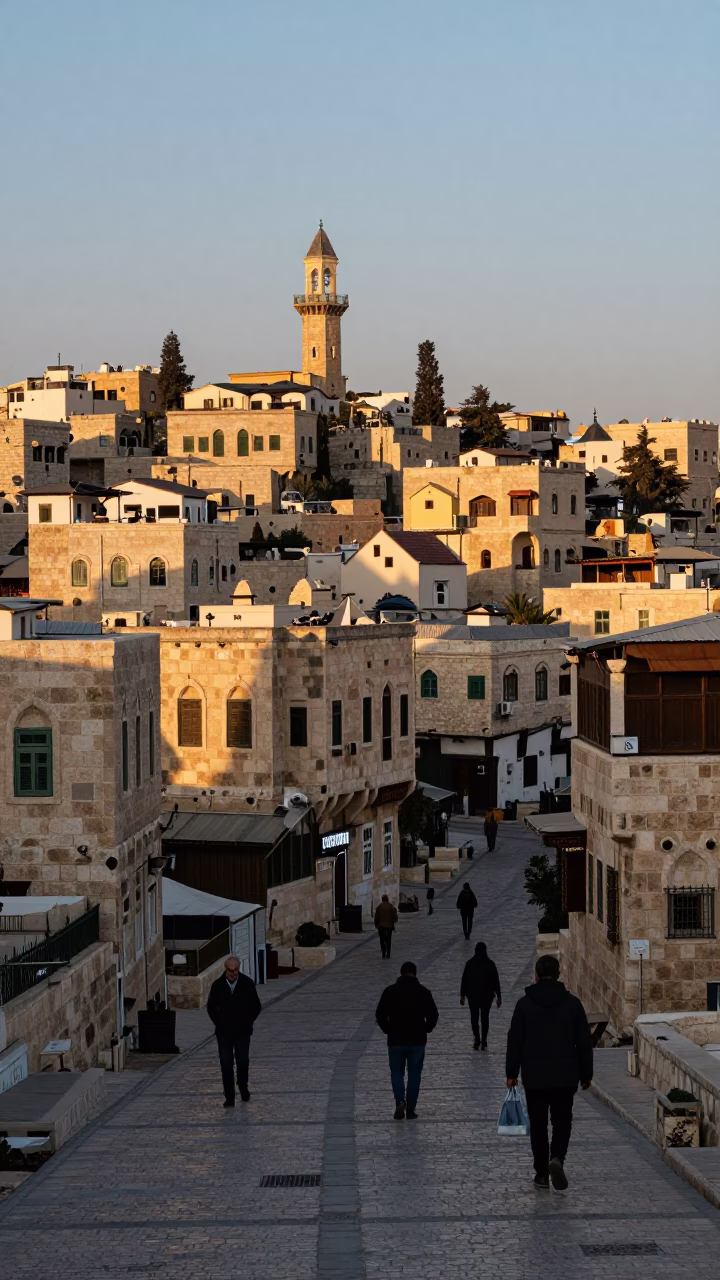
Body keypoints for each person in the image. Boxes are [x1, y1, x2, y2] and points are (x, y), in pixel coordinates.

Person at [505, 954, 593, 1191]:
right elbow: (584, 1043)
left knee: (539, 1124)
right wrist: (586, 1075)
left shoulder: (524, 1005)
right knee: (562, 1120)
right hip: (565, 1075)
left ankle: (542, 1173)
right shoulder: (573, 1004)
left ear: (535, 974)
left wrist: (511, 1073)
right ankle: (557, 1158)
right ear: (558, 974)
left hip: (534, 1077)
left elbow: (515, 1040)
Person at [376, 960, 439, 1119]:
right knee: (414, 1074)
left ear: (401, 972)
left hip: (396, 1039)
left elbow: (380, 1014)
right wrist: (427, 1028)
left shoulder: (390, 991)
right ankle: (410, 1109)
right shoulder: (423, 992)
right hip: (417, 1039)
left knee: (396, 1072)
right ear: (415, 973)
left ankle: (399, 1101)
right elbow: (433, 1014)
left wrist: (387, 1029)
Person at [207, 955, 262, 1107]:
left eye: (236, 970)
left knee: (243, 1061)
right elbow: (211, 1007)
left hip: (242, 1031)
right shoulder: (218, 985)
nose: (233, 973)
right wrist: (219, 1022)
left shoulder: (247, 983)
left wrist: (248, 1021)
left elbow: (256, 1006)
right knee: (226, 1064)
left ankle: (243, 1087)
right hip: (224, 1032)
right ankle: (229, 1096)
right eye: (230, 970)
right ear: (226, 970)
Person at [460, 941, 502, 1050]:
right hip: (487, 996)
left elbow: (464, 980)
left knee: (474, 1017)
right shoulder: (490, 964)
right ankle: (483, 1040)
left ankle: (477, 1038)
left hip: (473, 995)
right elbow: (495, 981)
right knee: (484, 1018)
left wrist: (462, 995)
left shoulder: (470, 963)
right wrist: (498, 996)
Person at [374, 894, 398, 958]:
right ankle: (388, 954)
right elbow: (395, 914)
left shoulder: (379, 907)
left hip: (381, 926)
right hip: (389, 926)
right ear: (387, 899)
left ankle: (383, 954)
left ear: (382, 900)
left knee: (382, 941)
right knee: (388, 940)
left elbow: (377, 917)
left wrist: (376, 925)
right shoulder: (391, 906)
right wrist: (394, 921)